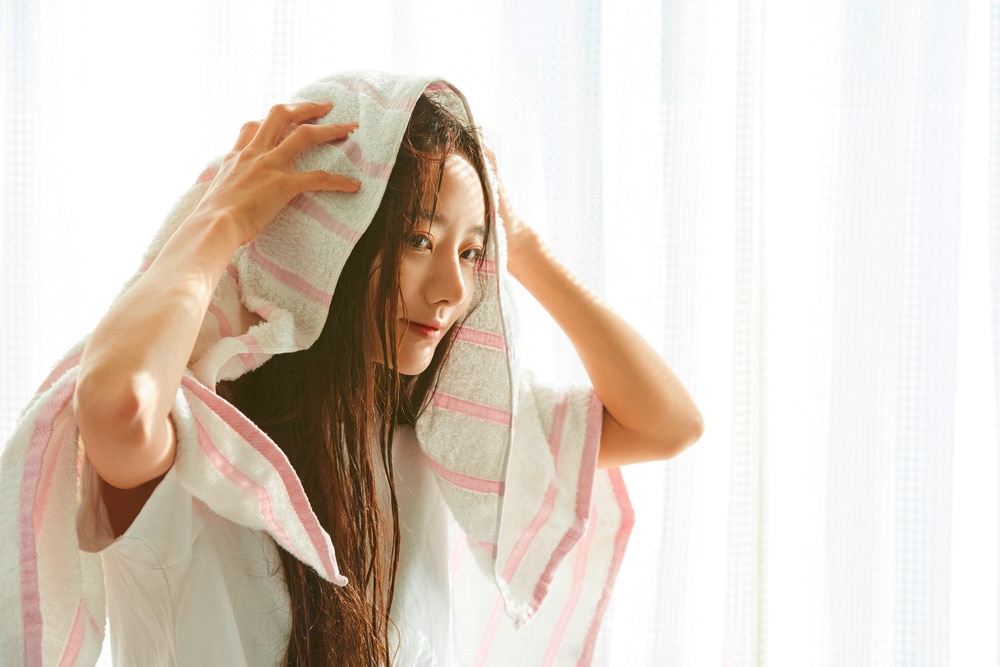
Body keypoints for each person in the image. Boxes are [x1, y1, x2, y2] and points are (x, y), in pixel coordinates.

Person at [2, 73, 702, 666]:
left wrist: (522, 242)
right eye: (418, 238)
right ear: (324, 240)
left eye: (470, 253)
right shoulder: (196, 454)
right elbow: (117, 399)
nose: (454, 291)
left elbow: (668, 422)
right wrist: (221, 218)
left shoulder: (431, 440)